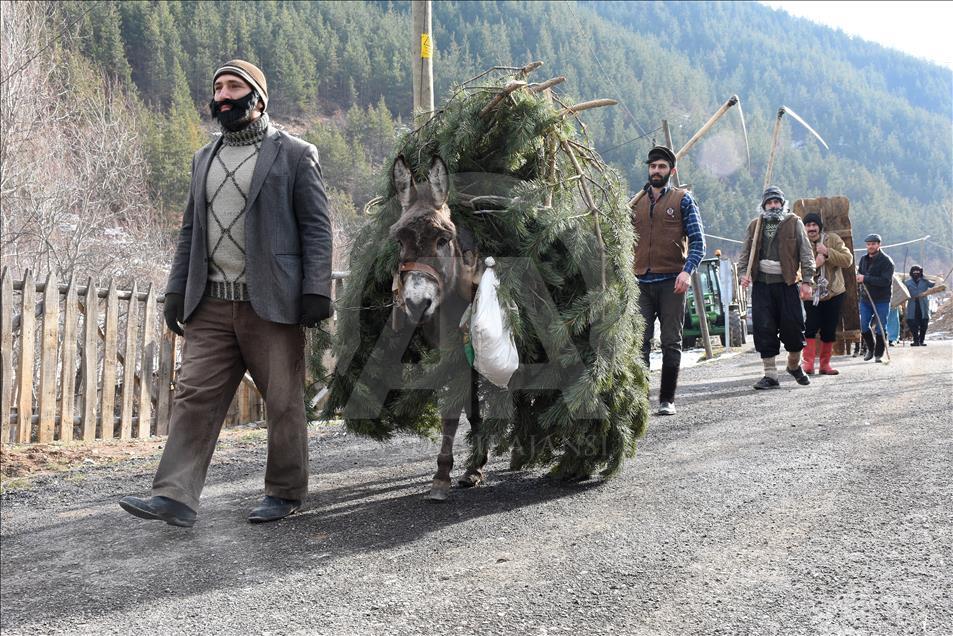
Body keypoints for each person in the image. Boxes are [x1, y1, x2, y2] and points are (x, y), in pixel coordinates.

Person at [119, 60, 333, 527]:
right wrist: (176, 291)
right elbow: (190, 232)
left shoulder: (295, 154)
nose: (223, 95)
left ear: (258, 98)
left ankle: (285, 491)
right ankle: (174, 496)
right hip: (210, 302)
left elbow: (317, 227)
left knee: (282, 400)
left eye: (234, 86)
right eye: (218, 87)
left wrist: (317, 289)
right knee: (195, 395)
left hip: (272, 303)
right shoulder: (204, 158)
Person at [631, 145, 706, 416]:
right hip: (640, 281)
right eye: (653, 167)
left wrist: (687, 271)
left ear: (671, 171)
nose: (656, 171)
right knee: (640, 342)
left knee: (671, 341)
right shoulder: (636, 202)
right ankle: (638, 401)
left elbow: (698, 242)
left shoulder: (683, 200)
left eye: (662, 167)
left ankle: (666, 399)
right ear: (648, 170)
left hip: (672, 281)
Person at [739, 186, 815, 389]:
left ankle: (793, 365)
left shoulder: (793, 223)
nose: (773, 206)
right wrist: (742, 274)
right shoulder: (755, 225)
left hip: (787, 283)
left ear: (782, 204)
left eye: (776, 202)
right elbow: (746, 252)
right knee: (764, 328)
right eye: (769, 202)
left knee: (794, 328)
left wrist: (807, 281)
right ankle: (770, 375)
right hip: (762, 285)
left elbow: (806, 252)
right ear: (764, 205)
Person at [800, 212, 853, 374]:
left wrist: (828, 252)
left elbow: (847, 260)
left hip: (833, 292)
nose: (811, 228)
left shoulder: (833, 239)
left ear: (819, 227)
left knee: (829, 329)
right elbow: (794, 269)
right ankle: (808, 364)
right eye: (808, 225)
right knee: (810, 327)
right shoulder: (800, 244)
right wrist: (816, 264)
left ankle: (825, 365)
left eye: (814, 225)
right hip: (811, 292)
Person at [856, 234, 894, 362]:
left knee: (880, 327)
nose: (870, 246)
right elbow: (860, 274)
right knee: (863, 325)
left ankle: (879, 354)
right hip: (865, 299)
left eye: (873, 244)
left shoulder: (887, 261)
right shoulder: (863, 260)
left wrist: (865, 278)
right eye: (868, 244)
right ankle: (870, 349)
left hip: (882, 299)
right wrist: (859, 279)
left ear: (879, 245)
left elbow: (885, 281)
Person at [904, 265, 935, 346]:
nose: (916, 273)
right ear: (911, 273)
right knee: (912, 323)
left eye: (918, 272)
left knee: (924, 323)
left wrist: (938, 278)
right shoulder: (907, 283)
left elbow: (934, 285)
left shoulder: (925, 281)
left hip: (923, 305)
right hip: (912, 305)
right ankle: (916, 340)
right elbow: (903, 292)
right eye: (914, 272)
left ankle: (921, 340)